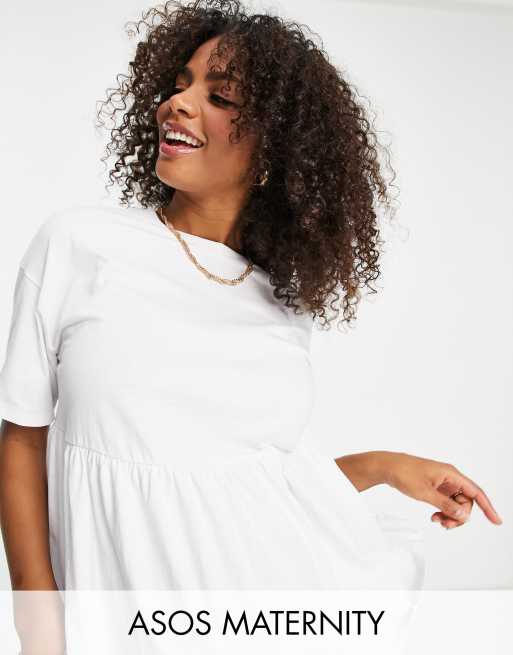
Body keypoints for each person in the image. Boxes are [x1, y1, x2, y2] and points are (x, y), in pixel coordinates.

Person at [0, 0, 502, 598]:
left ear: (274, 149)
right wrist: (39, 617)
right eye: (180, 84)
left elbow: (249, 489)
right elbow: (22, 439)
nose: (178, 103)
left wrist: (385, 467)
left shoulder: (281, 304)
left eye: (221, 97)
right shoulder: (80, 244)